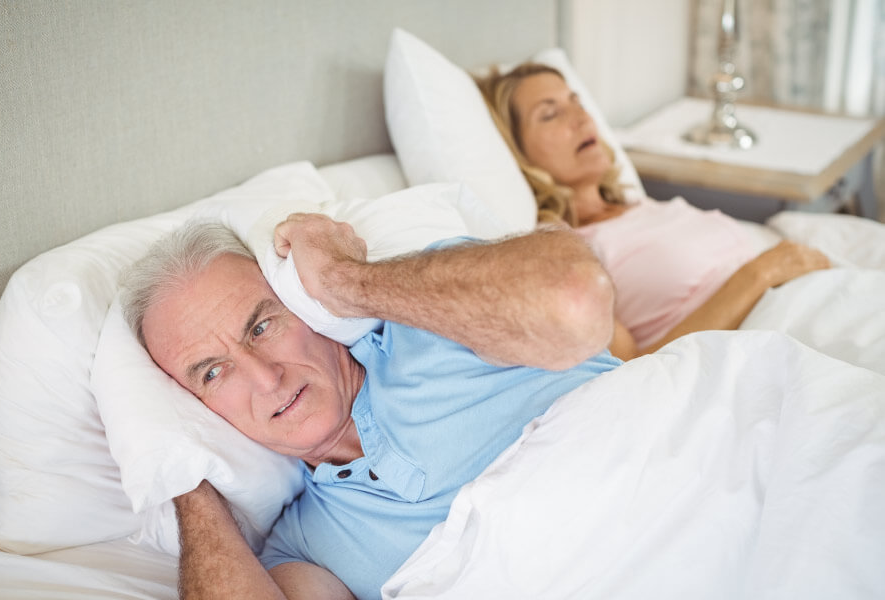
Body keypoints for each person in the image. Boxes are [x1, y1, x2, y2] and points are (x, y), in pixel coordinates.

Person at [119, 213, 622, 600]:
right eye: (212, 372)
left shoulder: (435, 319)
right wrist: (185, 478)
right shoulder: (306, 545)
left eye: (261, 326)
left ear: (299, 303)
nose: (265, 377)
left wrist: (343, 279)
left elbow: (575, 298)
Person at [476, 63, 831, 360]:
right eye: (550, 114)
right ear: (517, 153)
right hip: (770, 342)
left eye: (577, 101)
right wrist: (760, 273)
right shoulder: (567, 255)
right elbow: (636, 372)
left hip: (809, 305)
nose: (581, 118)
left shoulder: (637, 206)